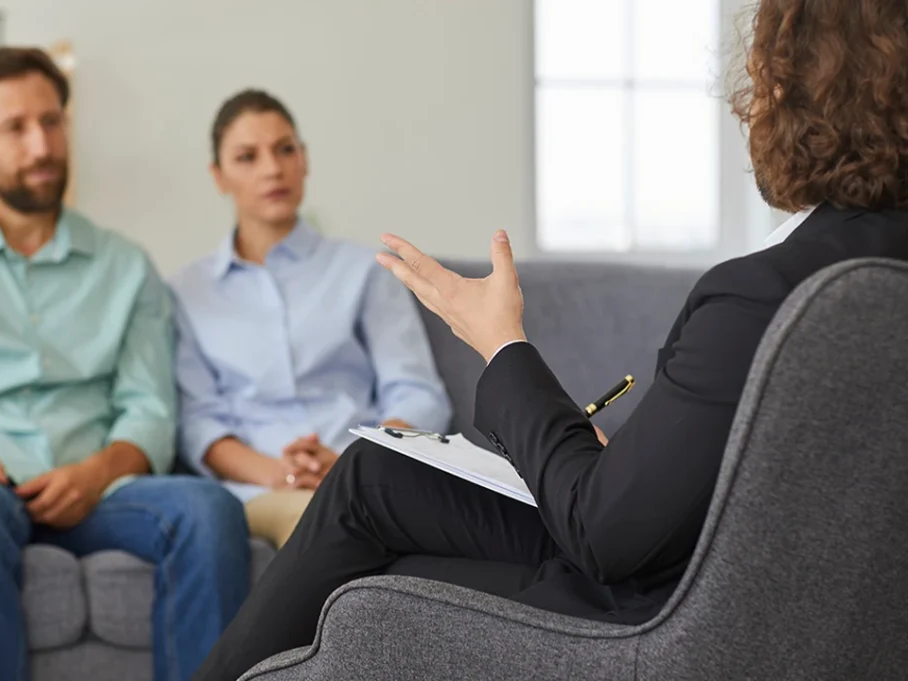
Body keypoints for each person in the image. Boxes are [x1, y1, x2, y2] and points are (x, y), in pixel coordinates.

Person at [192, 1, 908, 678]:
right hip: (753, 581)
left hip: (670, 605)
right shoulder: (865, 270)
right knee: (377, 475)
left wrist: (502, 342)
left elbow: (607, 536)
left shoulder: (766, 294)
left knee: (372, 522)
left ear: (790, 91)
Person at [0, 47, 251, 681]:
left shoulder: (124, 265)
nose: (42, 145)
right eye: (15, 128)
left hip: (98, 490)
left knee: (209, 511)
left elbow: (150, 411)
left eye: (52, 122)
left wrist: (93, 473)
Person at [170, 89, 452, 548]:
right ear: (218, 177)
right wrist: (281, 473)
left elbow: (417, 394)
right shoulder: (187, 291)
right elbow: (198, 421)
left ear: (305, 160)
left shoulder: (366, 270)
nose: (272, 168)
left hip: (364, 470)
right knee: (319, 518)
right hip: (260, 488)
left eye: (285, 149)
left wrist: (348, 462)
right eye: (247, 157)